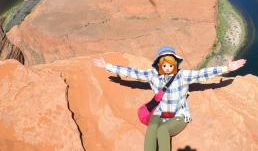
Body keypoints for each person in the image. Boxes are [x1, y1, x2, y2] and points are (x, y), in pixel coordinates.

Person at [92, 46, 246, 151]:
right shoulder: (152, 75)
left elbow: (203, 74)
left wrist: (227, 68)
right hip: (158, 112)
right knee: (152, 129)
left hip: (178, 115)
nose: (167, 66)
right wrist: (108, 66)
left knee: (163, 130)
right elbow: (133, 72)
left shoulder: (183, 76)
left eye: (170, 62)